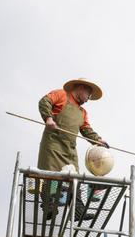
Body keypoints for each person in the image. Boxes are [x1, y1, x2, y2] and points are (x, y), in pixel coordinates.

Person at [37, 78, 109, 221]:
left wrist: (97, 139)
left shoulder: (82, 112)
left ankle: (78, 211)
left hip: (70, 150)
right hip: (53, 145)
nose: (88, 99)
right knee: (50, 177)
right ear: (81, 88)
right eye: (89, 95)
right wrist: (48, 118)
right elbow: (44, 101)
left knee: (74, 179)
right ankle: (49, 207)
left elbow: (86, 129)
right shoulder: (61, 95)